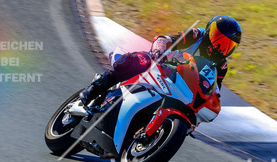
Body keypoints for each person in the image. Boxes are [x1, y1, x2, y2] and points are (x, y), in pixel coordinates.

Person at [80, 16, 242, 109]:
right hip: (163, 66)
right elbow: (166, 39)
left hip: (182, 88)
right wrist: (159, 51)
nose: (220, 49)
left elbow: (215, 92)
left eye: (227, 46)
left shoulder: (221, 66)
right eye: (217, 40)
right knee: (142, 61)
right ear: (209, 32)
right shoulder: (196, 35)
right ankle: (95, 87)